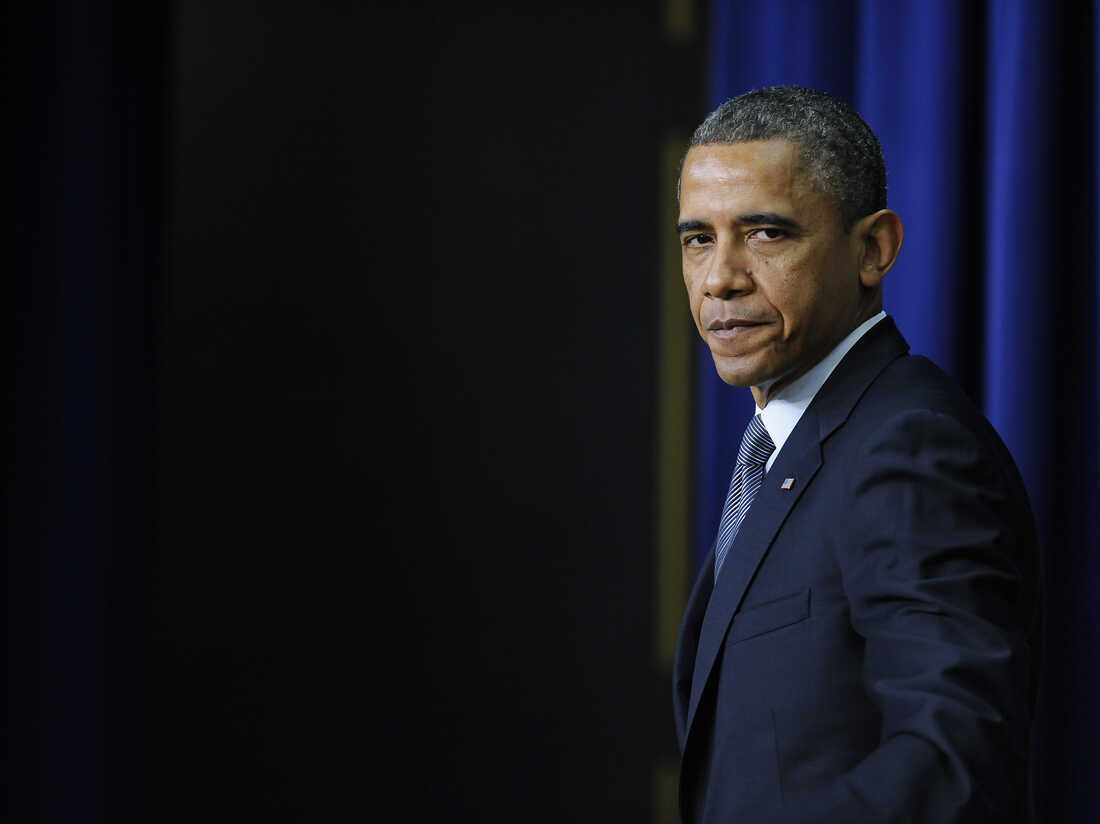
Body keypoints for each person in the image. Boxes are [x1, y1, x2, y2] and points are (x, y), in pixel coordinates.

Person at [672, 86, 1041, 823]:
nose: (720, 278)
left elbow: (955, 765)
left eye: (766, 233)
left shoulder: (910, 446)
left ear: (874, 249)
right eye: (699, 239)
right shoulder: (788, 446)